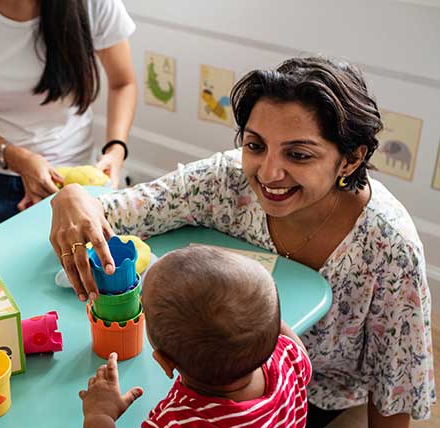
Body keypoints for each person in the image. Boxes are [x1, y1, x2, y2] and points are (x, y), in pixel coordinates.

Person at [50, 56, 434, 426]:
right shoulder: (224, 182)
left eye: (298, 154)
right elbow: (123, 209)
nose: (268, 173)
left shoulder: (389, 244)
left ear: (350, 160)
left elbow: (395, 380)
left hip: (317, 394)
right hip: (204, 372)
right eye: (254, 145)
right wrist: (71, 197)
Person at [0, 0, 137, 239]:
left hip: (72, 177)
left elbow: (123, 83)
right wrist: (18, 158)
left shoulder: (94, 5)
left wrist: (116, 151)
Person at [80, 246, 312, 427]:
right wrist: (252, 309)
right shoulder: (290, 359)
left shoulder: (176, 422)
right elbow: (276, 329)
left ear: (165, 362)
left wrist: (100, 415)